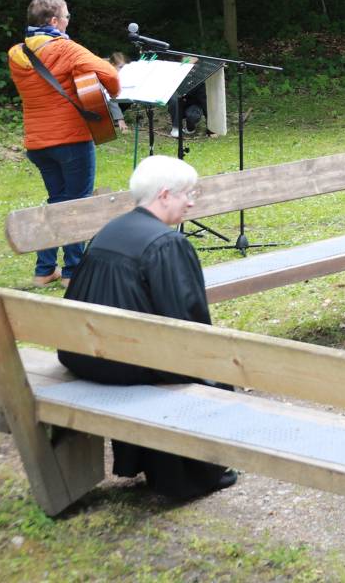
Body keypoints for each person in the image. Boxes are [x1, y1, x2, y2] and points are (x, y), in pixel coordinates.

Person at [58, 156, 239, 499]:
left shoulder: (109, 231)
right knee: (204, 366)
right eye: (188, 193)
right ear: (165, 194)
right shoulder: (167, 243)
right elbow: (188, 323)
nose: (192, 201)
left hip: (83, 352)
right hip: (124, 362)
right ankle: (195, 475)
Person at [7, 0, 121, 287]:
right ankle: (73, 272)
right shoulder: (65, 48)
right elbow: (111, 77)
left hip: (37, 143)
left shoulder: (15, 54)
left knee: (58, 201)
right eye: (67, 16)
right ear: (55, 21)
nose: (69, 21)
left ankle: (44, 270)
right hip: (71, 140)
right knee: (77, 204)